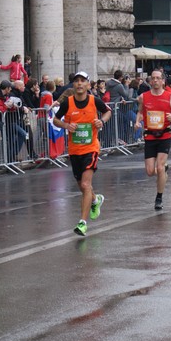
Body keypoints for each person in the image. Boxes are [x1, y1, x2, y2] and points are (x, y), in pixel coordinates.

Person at [52, 71, 112, 236]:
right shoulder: (68, 103)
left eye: (82, 81)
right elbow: (55, 119)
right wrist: (66, 126)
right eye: (76, 81)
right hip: (74, 150)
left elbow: (108, 111)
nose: (79, 84)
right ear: (73, 85)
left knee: (86, 185)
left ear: (87, 84)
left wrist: (102, 121)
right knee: (82, 186)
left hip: (91, 148)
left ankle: (82, 223)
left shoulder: (94, 101)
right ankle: (95, 199)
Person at [134, 70, 171, 210]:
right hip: (149, 136)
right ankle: (163, 170)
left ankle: (159, 198)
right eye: (153, 78)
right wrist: (137, 122)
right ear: (150, 81)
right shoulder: (143, 97)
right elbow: (140, 111)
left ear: (163, 81)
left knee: (159, 167)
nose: (155, 81)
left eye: (158, 78)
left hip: (165, 135)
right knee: (150, 171)